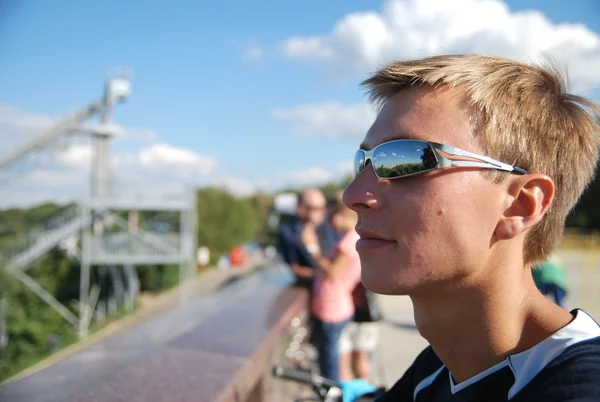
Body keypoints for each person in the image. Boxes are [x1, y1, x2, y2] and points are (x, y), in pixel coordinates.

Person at [340, 54, 600, 401]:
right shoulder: (441, 367)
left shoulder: (579, 389)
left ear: (520, 205)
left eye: (405, 160)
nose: (353, 195)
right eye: (364, 163)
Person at [302, 200, 362, 382]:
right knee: (329, 359)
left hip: (333, 310)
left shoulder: (349, 241)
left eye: (331, 216)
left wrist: (311, 247)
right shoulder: (352, 238)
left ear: (342, 215)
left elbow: (333, 273)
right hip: (335, 308)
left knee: (329, 365)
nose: (329, 222)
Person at [276, 187, 328, 288]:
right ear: (301, 208)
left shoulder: (330, 227)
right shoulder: (288, 233)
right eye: (316, 208)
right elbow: (294, 268)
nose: (322, 212)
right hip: (311, 289)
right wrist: (325, 273)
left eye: (323, 207)